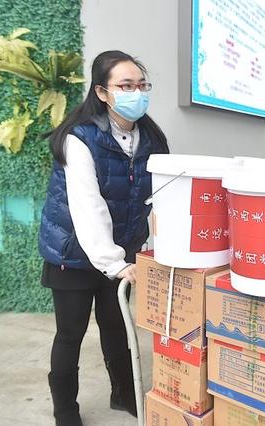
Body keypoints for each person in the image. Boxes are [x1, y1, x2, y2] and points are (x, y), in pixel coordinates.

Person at [38, 50, 169, 426]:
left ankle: (123, 394)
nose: (136, 93)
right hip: (73, 252)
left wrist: (147, 248)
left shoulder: (151, 137)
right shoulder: (79, 139)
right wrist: (113, 262)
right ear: (101, 92)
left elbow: (159, 195)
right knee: (70, 333)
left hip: (121, 252)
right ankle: (65, 409)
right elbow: (88, 206)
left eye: (141, 85)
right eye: (125, 86)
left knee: (115, 326)